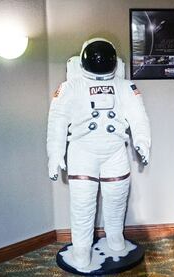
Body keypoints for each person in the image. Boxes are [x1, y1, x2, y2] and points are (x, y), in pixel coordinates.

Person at [47, 38, 151, 269]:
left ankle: (116, 240)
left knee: (116, 201)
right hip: (82, 153)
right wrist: (55, 155)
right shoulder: (71, 86)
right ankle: (81, 252)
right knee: (83, 206)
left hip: (115, 151)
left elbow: (138, 117)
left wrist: (142, 141)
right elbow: (57, 123)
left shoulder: (125, 86)